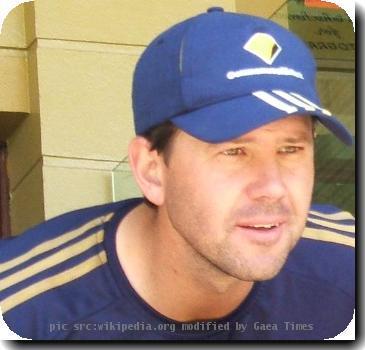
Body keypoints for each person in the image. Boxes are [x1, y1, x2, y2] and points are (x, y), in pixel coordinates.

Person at [0, 7, 355, 340]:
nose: (272, 188)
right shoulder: (22, 310)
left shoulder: (347, 265)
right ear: (151, 170)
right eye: (233, 151)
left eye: (290, 149)